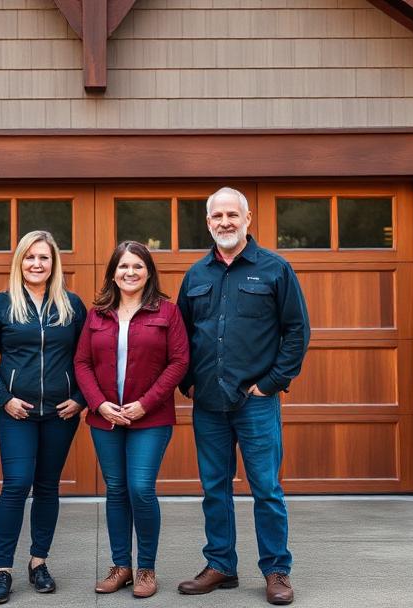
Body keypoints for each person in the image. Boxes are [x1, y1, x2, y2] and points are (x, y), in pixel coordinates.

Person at [175, 187, 310, 606]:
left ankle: (276, 571)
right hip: (209, 404)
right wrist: (188, 383)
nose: (225, 222)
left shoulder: (274, 269)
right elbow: (179, 337)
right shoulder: (196, 275)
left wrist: (270, 383)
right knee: (215, 488)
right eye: (218, 216)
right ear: (209, 222)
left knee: (266, 488)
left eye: (233, 215)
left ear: (247, 219)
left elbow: (297, 332)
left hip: (256, 402)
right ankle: (220, 565)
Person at [0, 230, 87, 605]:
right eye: (30, 257)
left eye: (44, 258)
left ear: (54, 263)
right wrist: (3, 399)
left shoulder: (71, 306)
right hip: (17, 413)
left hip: (60, 413)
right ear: (19, 261)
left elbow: (91, 358)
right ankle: (2, 569)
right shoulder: (2, 304)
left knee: (48, 486)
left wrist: (81, 398)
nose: (36, 264)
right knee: (17, 484)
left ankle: (39, 562)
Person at [74, 240, 189, 599]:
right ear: (113, 272)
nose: (130, 272)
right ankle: (121, 566)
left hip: (150, 418)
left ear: (149, 272)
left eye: (138, 266)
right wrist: (98, 403)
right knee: (116, 490)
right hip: (105, 418)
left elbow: (179, 363)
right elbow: (82, 363)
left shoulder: (167, 312)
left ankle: (146, 569)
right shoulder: (97, 314)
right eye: (123, 266)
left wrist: (145, 403)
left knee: (141, 488)